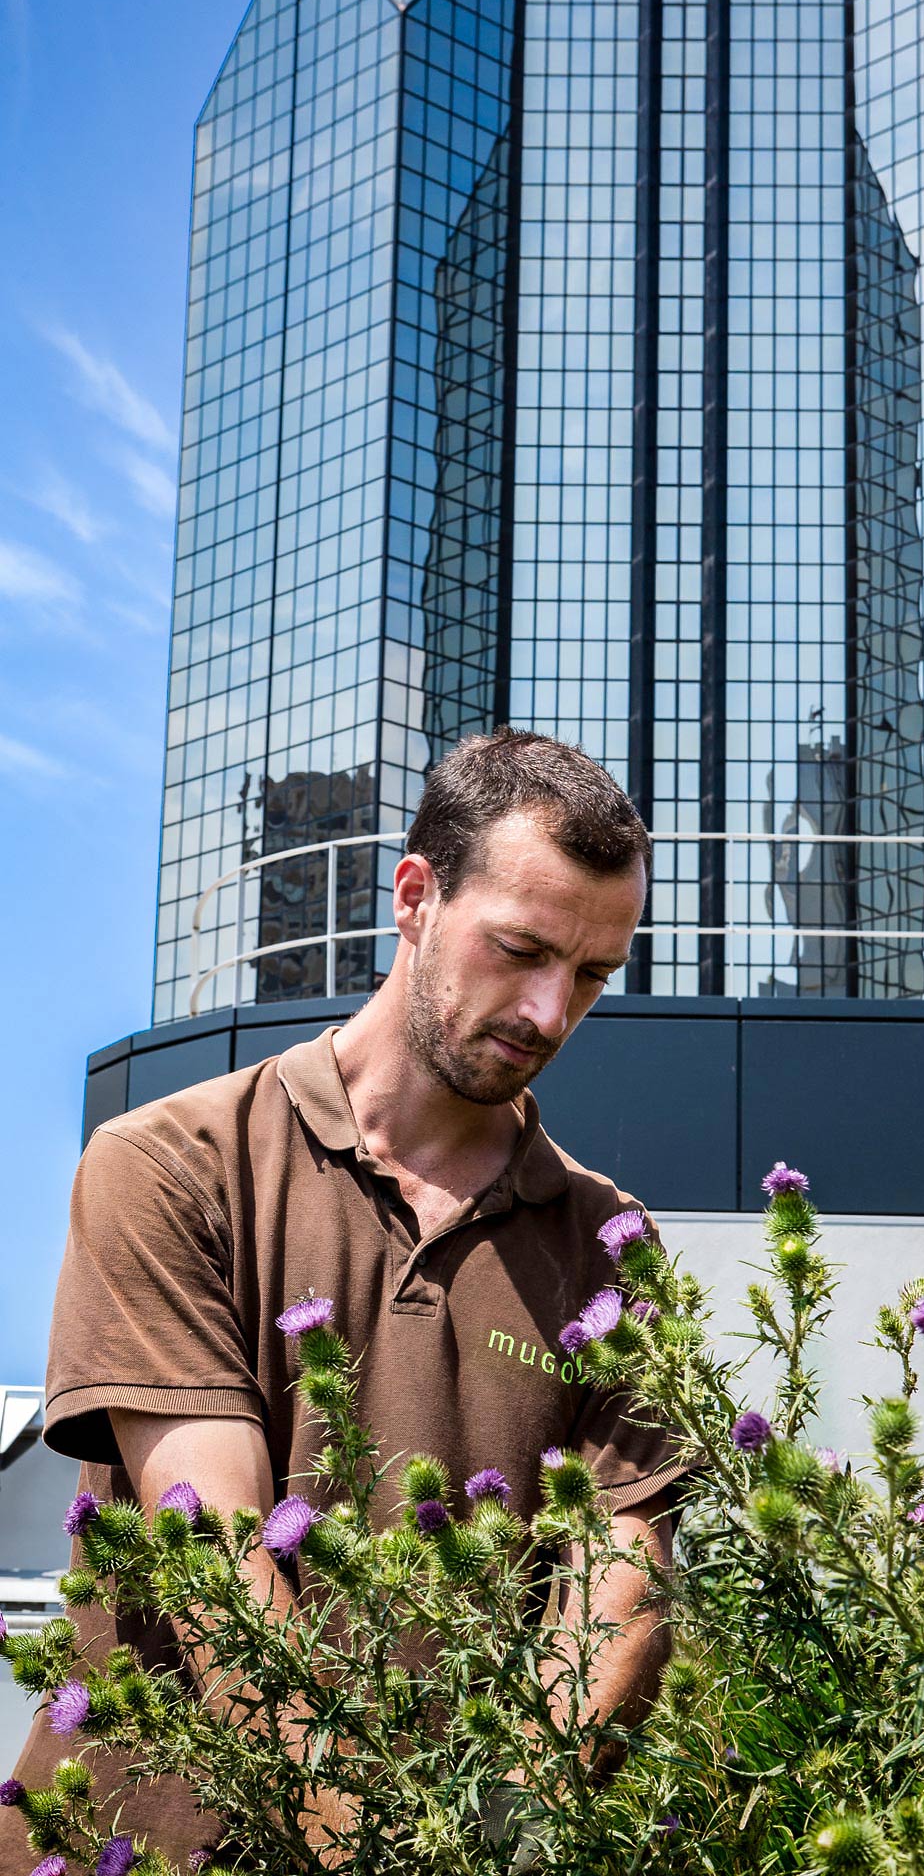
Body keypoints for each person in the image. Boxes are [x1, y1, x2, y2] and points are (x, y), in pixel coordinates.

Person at [2, 728, 685, 1868]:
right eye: (518, 950)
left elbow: (622, 1571)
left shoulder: (609, 1246)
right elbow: (210, 1554)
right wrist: (370, 1849)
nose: (549, 1011)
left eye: (591, 974)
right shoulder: (174, 1164)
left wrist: (504, 1840)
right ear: (414, 896)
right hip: (133, 1845)